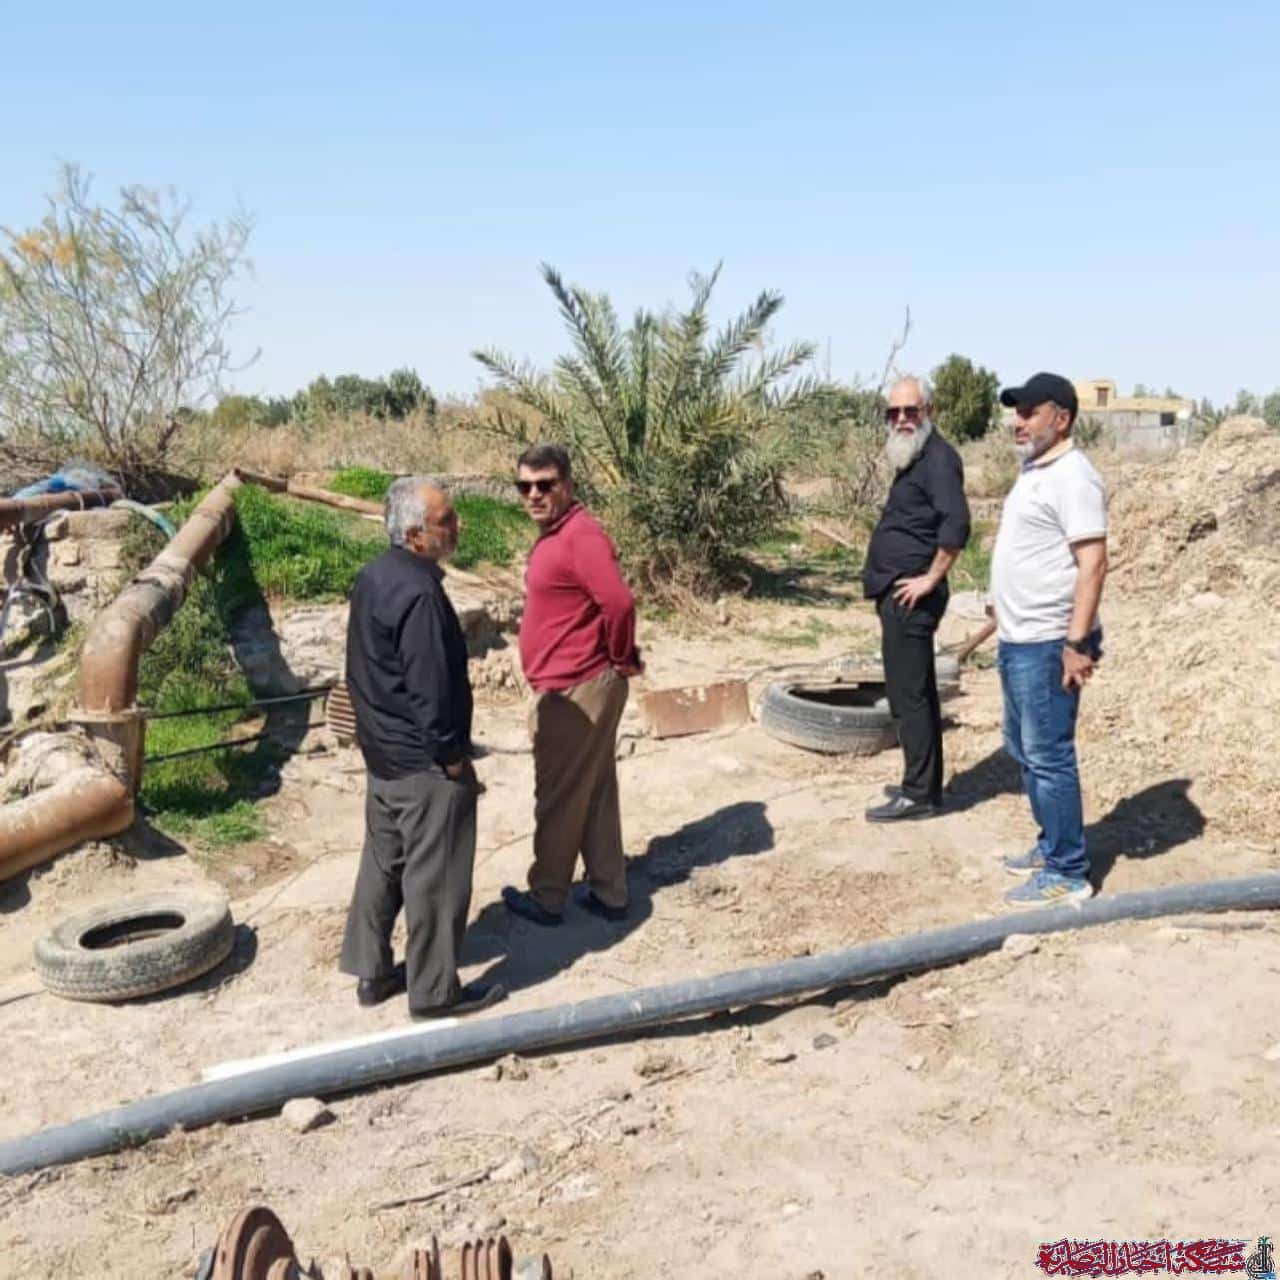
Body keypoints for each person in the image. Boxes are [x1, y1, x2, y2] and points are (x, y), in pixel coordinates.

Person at [339, 478, 505, 1017]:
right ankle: (433, 993)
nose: (458, 526)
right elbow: (432, 689)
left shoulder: (374, 576)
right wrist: (453, 758)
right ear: (414, 535)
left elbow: (360, 670)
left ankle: (371, 972)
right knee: (436, 878)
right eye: (446, 520)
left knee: (382, 865)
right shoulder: (420, 595)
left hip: (383, 756)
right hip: (422, 764)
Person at [501, 444, 642, 927]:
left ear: (568, 486)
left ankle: (547, 896)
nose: (534, 495)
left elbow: (619, 604)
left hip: (578, 688)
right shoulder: (558, 535)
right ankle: (610, 891)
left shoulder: (581, 536)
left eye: (545, 484)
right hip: (574, 684)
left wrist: (621, 658)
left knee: (559, 794)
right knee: (594, 788)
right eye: (524, 486)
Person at [991, 372, 1108, 906]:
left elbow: (1093, 563)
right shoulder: (1037, 470)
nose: (1018, 422)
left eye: (1029, 412)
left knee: (1048, 755)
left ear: (1061, 419)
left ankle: (1068, 872)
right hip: (1018, 639)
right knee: (1024, 748)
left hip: (1047, 644)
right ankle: (1052, 845)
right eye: (1016, 412)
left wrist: (1076, 644)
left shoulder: (1074, 477)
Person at [861, 376, 971, 822]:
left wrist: (929, 579)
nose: (902, 419)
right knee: (913, 691)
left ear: (929, 411)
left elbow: (956, 525)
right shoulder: (915, 457)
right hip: (898, 594)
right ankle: (923, 784)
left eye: (911, 410)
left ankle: (918, 795)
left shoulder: (939, 459)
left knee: (910, 697)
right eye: (894, 412)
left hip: (912, 598)